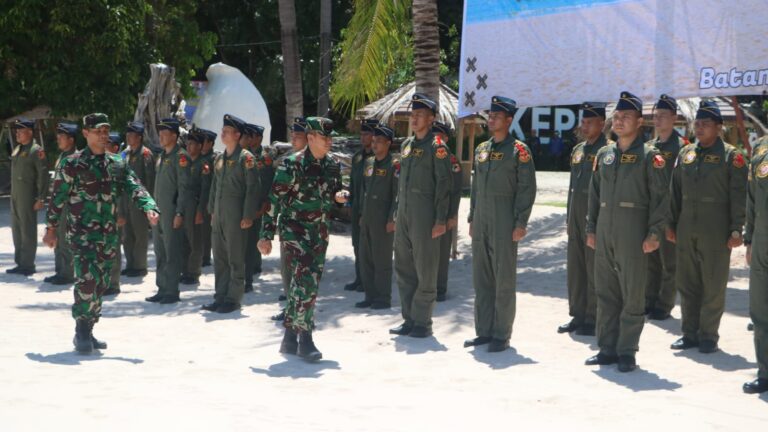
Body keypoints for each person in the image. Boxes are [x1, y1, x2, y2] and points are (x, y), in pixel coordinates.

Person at [43, 113, 159, 354]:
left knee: (102, 283)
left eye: (106, 131)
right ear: (86, 133)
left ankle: (90, 326)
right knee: (87, 281)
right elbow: (57, 199)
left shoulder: (116, 163)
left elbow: (134, 185)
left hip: (108, 236)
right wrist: (51, 229)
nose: (104, 135)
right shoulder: (72, 164)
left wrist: (149, 207)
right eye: (98, 131)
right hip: (82, 235)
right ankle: (82, 331)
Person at [585, 91, 667, 372]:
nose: (619, 122)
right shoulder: (605, 154)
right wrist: (591, 227)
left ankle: (627, 351)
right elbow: (594, 195)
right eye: (616, 117)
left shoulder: (650, 156)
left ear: (640, 122)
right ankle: (606, 348)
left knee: (632, 293)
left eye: (626, 117)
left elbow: (660, 199)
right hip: (605, 229)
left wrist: (654, 233)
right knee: (606, 291)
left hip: (633, 231)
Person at [258, 116, 343, 362]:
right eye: (324, 137)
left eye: (330, 137)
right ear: (311, 138)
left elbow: (335, 192)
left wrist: (340, 196)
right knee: (305, 284)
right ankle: (305, 340)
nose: (329, 142)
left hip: (320, 233)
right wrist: (266, 236)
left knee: (304, 285)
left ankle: (288, 337)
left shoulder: (332, 165)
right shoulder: (291, 165)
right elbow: (273, 202)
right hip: (294, 233)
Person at [667, 100, 747, 353]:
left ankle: (708, 336)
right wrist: (671, 223)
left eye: (705, 124)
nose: (699, 128)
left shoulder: (731, 156)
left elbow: (739, 195)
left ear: (719, 127)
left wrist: (736, 229)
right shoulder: (686, 153)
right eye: (697, 123)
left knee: (712, 284)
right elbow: (674, 192)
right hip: (686, 225)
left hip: (716, 228)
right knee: (687, 283)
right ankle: (689, 333)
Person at [464, 96, 537, 352]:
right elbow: (475, 188)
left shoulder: (519, 151)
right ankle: (483, 331)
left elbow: (527, 190)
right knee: (482, 278)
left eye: (496, 116)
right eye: (490, 115)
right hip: (482, 219)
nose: (491, 119)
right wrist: (472, 216)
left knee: (503, 279)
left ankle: (501, 334)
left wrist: (520, 223)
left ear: (509, 120)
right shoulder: (482, 149)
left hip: (505, 219)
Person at [389, 93, 453, 339]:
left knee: (425, 269)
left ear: (431, 118)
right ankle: (409, 319)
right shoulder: (406, 146)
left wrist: (440, 220)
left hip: (426, 216)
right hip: (405, 214)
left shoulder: (437, 149)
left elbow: (443, 187)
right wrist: (397, 213)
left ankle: (423, 322)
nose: (414, 119)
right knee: (404, 266)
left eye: (420, 115)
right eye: (413, 115)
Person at [558, 102, 609, 336]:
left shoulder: (607, 151)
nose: (584, 126)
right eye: (583, 122)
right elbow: (572, 187)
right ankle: (577, 314)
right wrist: (569, 217)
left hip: (595, 217)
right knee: (576, 268)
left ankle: (593, 316)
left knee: (592, 268)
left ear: (602, 123)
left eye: (590, 122)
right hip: (576, 217)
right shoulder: (578, 150)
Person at [202, 114, 260, 314]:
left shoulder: (246, 158)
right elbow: (214, 187)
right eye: (222, 130)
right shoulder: (220, 158)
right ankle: (220, 296)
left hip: (236, 215)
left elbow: (253, 189)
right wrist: (211, 211)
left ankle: (233, 298)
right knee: (219, 257)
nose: (222, 133)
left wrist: (248, 215)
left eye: (226, 131)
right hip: (219, 215)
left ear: (237, 134)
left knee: (235, 257)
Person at [645, 94, 686, 321]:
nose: (658, 120)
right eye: (655, 116)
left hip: (671, 213)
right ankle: (648, 300)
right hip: (650, 212)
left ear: (674, 117)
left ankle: (664, 304)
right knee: (650, 260)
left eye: (663, 115)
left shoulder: (682, 148)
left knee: (670, 263)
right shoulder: (649, 147)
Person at [145, 118, 190, 304]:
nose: (161, 137)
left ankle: (171, 290)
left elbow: (184, 187)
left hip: (172, 212)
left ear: (174, 135)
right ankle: (162, 288)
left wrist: (180, 213)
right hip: (159, 211)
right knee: (160, 251)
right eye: (160, 133)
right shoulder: (162, 156)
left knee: (172, 252)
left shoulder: (181, 157)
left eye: (165, 134)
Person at [355, 124, 399, 310]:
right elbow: (365, 190)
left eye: (379, 141)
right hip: (367, 218)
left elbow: (397, 195)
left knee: (381, 261)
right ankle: (369, 295)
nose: (375, 144)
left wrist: (392, 219)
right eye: (373, 141)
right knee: (366, 259)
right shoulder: (369, 163)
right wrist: (362, 214)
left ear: (388, 143)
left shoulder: (394, 165)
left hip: (383, 220)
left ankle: (383, 298)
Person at [273, 116, 310, 321]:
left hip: (306, 227)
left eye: (298, 135)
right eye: (293, 135)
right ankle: (290, 305)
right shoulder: (287, 162)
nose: (294, 139)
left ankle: (300, 312)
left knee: (301, 271)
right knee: (286, 268)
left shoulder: (315, 163)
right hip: (288, 223)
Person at [7, 119, 49, 276]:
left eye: (20, 130)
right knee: (17, 229)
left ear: (30, 132)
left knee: (27, 230)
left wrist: (41, 197)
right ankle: (20, 262)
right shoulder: (18, 149)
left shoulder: (36, 150)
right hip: (16, 195)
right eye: (16, 130)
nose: (17, 133)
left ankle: (28, 264)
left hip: (28, 196)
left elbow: (43, 175)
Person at [743, 146, 768, 394]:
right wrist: (749, 240)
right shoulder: (762, 157)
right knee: (760, 310)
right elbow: (751, 200)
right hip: (762, 243)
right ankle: (765, 372)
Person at [44, 123, 79, 285]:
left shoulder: (75, 158)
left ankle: (67, 273)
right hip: (59, 204)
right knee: (58, 237)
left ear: (71, 140)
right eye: (58, 137)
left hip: (69, 205)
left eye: (61, 137)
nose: (58, 139)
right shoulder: (63, 156)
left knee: (66, 240)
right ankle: (60, 271)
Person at [344, 118, 377, 292]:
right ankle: (359, 278)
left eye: (366, 134)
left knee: (368, 246)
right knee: (357, 244)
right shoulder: (357, 157)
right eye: (362, 134)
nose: (363, 137)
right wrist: (349, 203)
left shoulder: (377, 158)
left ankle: (368, 280)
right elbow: (352, 183)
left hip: (370, 208)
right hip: (357, 205)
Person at [240, 123, 274, 292]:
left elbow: (267, 180)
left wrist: (264, 202)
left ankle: (255, 264)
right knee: (248, 236)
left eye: (252, 136)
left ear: (259, 138)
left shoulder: (264, 157)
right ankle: (250, 266)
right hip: (247, 203)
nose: (249, 139)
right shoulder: (244, 156)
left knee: (256, 233)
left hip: (259, 202)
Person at [432, 121, 462, 302]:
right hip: (427, 213)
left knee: (442, 254)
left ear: (446, 138)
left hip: (445, 214)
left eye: (439, 135)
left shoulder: (452, 161)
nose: (436, 138)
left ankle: (440, 289)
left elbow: (456, 190)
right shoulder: (428, 156)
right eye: (433, 134)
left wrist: (452, 215)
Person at [121, 121, 155, 278]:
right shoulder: (126, 154)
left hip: (139, 201)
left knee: (140, 235)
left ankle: (140, 266)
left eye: (132, 135)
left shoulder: (145, 154)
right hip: (127, 200)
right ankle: (131, 264)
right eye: (127, 134)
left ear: (139, 137)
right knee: (127, 235)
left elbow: (150, 180)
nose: (128, 137)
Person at [179, 129, 211, 285]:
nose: (189, 146)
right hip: (183, 205)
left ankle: (194, 272)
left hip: (195, 206)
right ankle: (185, 270)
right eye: (188, 143)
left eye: (193, 144)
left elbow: (205, 190)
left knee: (195, 241)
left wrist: (200, 211)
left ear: (200, 146)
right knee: (184, 240)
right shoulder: (185, 162)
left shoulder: (203, 164)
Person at [104, 132, 125, 296]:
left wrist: (120, 213)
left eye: (108, 143)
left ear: (115, 147)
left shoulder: (119, 165)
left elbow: (123, 193)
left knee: (113, 249)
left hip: (115, 212)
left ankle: (114, 283)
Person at [199, 128, 218, 267]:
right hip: (197, 197)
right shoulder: (198, 157)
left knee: (205, 229)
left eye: (204, 141)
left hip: (207, 198)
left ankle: (205, 256)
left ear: (211, 143)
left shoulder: (213, 159)